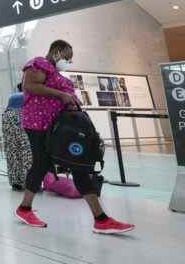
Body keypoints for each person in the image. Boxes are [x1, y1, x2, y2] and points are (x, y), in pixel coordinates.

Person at [15, 40, 134, 234]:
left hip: (59, 126)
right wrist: (61, 95)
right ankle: (25, 208)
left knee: (77, 165)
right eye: (67, 57)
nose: (69, 61)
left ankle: (100, 219)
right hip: (38, 124)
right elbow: (29, 85)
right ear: (56, 52)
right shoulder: (39, 63)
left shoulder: (56, 74)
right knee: (42, 164)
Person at [2, 83, 31, 190]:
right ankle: (27, 181)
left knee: (12, 152)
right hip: (21, 118)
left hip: (7, 119)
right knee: (26, 152)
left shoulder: (12, 96)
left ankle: (15, 182)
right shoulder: (26, 96)